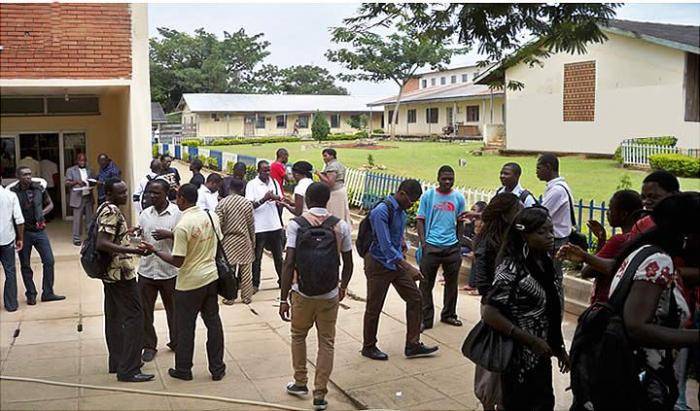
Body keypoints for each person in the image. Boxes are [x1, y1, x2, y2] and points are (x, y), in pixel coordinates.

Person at [603, 193, 699, 409]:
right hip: (641, 379)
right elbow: (636, 327)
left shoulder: (643, 251)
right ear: (687, 234)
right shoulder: (658, 261)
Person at [481, 206, 569, 410]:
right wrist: (529, 339)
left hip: (541, 355)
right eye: (541, 232)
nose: (550, 237)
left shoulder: (545, 263)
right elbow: (490, 312)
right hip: (517, 357)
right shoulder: (512, 268)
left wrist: (559, 347)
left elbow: (552, 310)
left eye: (551, 230)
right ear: (524, 235)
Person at [279, 182, 354, 411]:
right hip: (329, 293)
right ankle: (320, 394)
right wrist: (342, 287)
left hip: (302, 292)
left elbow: (289, 262)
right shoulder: (340, 226)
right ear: (327, 201)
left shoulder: (295, 225)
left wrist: (284, 298)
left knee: (298, 335)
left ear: (308, 201)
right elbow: (349, 263)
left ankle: (300, 382)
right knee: (326, 342)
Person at [141, 184, 226, 382]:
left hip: (189, 284)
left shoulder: (183, 225)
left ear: (181, 199)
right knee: (213, 324)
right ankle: (217, 368)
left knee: (185, 328)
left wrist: (154, 250)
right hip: (211, 278)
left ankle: (183, 369)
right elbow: (218, 245)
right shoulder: (211, 216)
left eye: (177, 197)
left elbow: (177, 260)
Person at [362, 179, 439, 360]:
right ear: (402, 193)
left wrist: (403, 243)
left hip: (395, 263)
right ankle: (369, 346)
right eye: (411, 200)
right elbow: (385, 245)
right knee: (374, 307)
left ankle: (413, 344)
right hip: (378, 263)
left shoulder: (401, 211)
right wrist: (408, 266)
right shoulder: (381, 211)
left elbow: (396, 236)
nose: (411, 205)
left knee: (415, 298)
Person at [95, 178, 153, 382]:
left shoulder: (104, 207)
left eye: (126, 192)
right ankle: (129, 368)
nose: (125, 196)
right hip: (120, 274)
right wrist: (133, 250)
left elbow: (110, 236)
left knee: (114, 317)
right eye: (121, 193)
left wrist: (126, 234)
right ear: (110, 194)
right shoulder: (111, 211)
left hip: (110, 274)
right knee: (135, 318)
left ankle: (118, 361)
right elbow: (102, 243)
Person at [470, 193, 523, 411]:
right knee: (494, 362)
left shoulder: (515, 236)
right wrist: (498, 299)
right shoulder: (489, 242)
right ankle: (490, 402)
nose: (521, 211)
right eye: (517, 208)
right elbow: (483, 283)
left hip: (508, 307)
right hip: (496, 308)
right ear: (506, 214)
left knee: (505, 364)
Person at [136, 179, 181, 362]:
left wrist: (170, 234)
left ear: (166, 193)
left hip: (169, 271)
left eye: (156, 193)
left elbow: (186, 238)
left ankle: (177, 341)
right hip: (147, 271)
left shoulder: (177, 214)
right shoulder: (145, 214)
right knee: (145, 311)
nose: (151, 196)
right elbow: (142, 236)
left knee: (174, 310)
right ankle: (148, 345)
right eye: (149, 193)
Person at [416, 165, 466, 329]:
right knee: (425, 284)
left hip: (451, 248)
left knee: (452, 285)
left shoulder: (458, 198)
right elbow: (420, 220)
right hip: (431, 247)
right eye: (444, 178)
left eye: (450, 179)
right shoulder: (428, 196)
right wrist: (424, 243)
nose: (447, 182)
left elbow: (460, 222)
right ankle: (425, 318)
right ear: (438, 178)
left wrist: (458, 243)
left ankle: (449, 314)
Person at [11, 167, 65, 305]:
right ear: (18, 176)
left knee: (49, 261)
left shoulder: (39, 188)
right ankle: (31, 294)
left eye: (29, 174)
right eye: (24, 175)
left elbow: (51, 204)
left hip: (39, 231)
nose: (28, 177)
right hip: (23, 233)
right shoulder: (13, 192)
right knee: (25, 265)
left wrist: (41, 214)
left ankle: (48, 292)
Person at [583, 190, 642, 304]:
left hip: (605, 302)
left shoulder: (619, 240)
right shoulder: (639, 237)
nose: (607, 212)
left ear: (624, 214)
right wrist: (601, 239)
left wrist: (584, 255)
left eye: (611, 209)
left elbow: (587, 272)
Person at [536, 152, 573, 293]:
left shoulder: (557, 190)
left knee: (552, 280)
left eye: (539, 168)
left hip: (555, 241)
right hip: (556, 239)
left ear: (548, 167)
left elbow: (541, 214)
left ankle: (555, 312)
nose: (537, 172)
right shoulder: (557, 187)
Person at [246, 160, 284, 292]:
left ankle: (282, 281)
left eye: (269, 170)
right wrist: (264, 199)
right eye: (264, 170)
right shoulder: (252, 185)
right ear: (258, 171)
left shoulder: (274, 182)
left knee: (279, 257)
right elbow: (250, 205)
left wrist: (275, 197)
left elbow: (281, 198)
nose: (267, 173)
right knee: (257, 258)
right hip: (260, 227)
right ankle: (255, 284)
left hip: (274, 225)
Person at [215, 178, 255, 305]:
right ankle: (247, 296)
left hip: (228, 241)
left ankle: (230, 297)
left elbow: (218, 225)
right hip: (244, 240)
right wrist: (253, 242)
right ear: (242, 189)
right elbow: (251, 225)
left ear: (229, 188)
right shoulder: (247, 203)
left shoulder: (222, 203)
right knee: (246, 271)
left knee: (229, 272)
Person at [631, 170, 680, 236]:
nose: (646, 202)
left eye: (654, 197)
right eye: (643, 197)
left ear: (674, 195)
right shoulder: (641, 225)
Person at [0, 183, 24, 312]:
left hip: (6, 240)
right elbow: (19, 220)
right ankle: (11, 304)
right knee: (10, 272)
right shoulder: (10, 195)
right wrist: (20, 238)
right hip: (6, 240)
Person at [65, 153, 95, 246]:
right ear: (77, 161)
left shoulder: (89, 170)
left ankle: (90, 237)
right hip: (77, 196)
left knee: (89, 219)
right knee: (77, 219)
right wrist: (76, 182)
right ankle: (76, 238)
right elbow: (67, 183)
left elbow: (93, 181)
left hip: (88, 196)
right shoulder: (71, 170)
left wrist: (91, 183)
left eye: (84, 160)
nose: (82, 162)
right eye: (80, 160)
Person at [316, 149, 351, 226]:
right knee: (341, 212)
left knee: (336, 213)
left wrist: (319, 174)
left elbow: (330, 182)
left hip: (335, 192)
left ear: (332, 156)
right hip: (340, 190)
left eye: (325, 156)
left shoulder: (333, 166)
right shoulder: (338, 164)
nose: (324, 158)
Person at [461, 200, 487, 293]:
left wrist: (474, 251)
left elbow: (482, 242)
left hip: (482, 250)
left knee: (477, 256)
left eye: (474, 210)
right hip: (472, 247)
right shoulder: (472, 222)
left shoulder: (484, 224)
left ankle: (477, 287)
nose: (471, 212)